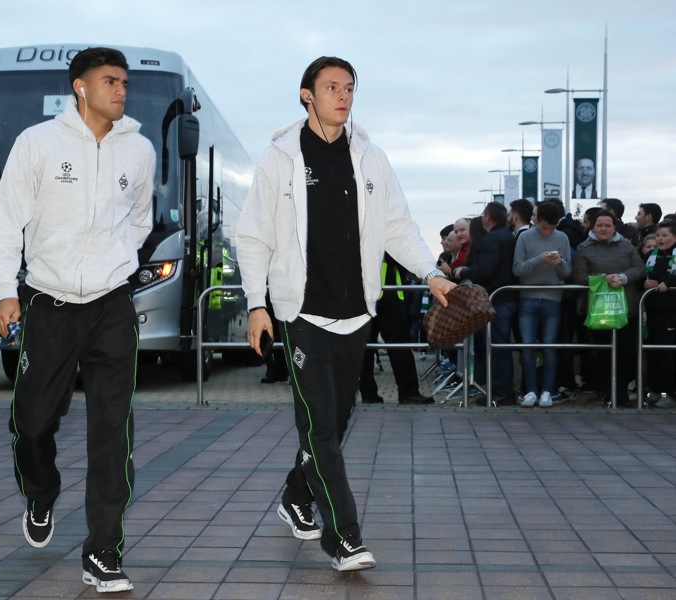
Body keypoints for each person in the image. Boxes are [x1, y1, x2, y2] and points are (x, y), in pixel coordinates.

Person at [235, 55, 454, 572]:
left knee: (333, 421)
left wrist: (432, 273)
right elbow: (253, 236)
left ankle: (295, 494)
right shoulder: (280, 158)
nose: (343, 95)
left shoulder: (370, 157)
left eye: (350, 87)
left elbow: (398, 226)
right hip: (302, 312)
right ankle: (345, 538)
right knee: (322, 430)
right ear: (306, 95)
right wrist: (256, 303)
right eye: (332, 86)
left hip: (358, 313)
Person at [0, 47, 154, 595]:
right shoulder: (36, 143)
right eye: (110, 81)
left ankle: (103, 551)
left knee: (113, 432)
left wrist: (117, 270)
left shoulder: (140, 148)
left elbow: (141, 221)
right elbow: (8, 222)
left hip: (111, 305)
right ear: (79, 87)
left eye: (124, 82)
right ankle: (41, 492)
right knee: (33, 423)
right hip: (48, 302)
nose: (121, 90)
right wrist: (5, 292)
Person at [572, 209, 645, 406]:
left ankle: (620, 392)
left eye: (608, 225)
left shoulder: (627, 246)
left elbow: (640, 268)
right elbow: (579, 277)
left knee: (626, 352)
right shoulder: (584, 248)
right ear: (593, 227)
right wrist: (603, 279)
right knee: (601, 353)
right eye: (599, 225)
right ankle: (607, 391)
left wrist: (623, 277)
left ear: (614, 227)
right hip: (599, 309)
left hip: (626, 307)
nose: (603, 229)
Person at [452, 202, 516, 405]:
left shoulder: (493, 239)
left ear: (487, 216)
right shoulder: (507, 235)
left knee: (496, 346)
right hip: (504, 297)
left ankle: (501, 391)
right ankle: (501, 389)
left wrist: (463, 272)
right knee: (499, 345)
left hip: (495, 298)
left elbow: (486, 271)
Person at [512, 201, 571, 408]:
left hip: (553, 297)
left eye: (552, 228)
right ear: (537, 220)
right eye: (545, 227)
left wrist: (560, 262)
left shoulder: (562, 237)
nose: (548, 231)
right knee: (527, 345)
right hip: (528, 296)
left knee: (549, 345)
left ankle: (547, 390)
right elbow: (517, 269)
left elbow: (567, 272)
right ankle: (530, 390)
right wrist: (539, 259)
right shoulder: (525, 237)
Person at [358, 253, 434, 405]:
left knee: (366, 347)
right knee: (399, 345)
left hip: (369, 295)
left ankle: (369, 394)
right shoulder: (384, 235)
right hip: (387, 295)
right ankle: (408, 393)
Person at [641, 219, 676, 408]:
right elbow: (643, 274)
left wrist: (669, 283)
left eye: (665, 235)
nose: (660, 239)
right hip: (652, 310)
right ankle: (655, 389)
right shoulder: (652, 255)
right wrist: (645, 283)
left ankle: (668, 391)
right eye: (658, 235)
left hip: (670, 311)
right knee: (653, 352)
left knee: (666, 352)